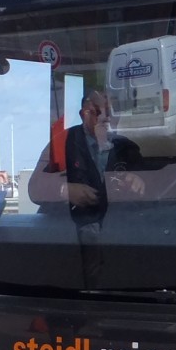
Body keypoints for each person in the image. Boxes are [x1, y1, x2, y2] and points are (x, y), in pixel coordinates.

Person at [28, 90, 145, 285]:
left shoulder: (128, 148)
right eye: (95, 111)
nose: (102, 117)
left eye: (107, 111)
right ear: (83, 114)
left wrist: (138, 182)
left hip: (121, 240)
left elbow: (154, 187)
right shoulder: (61, 142)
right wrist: (65, 190)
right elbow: (34, 188)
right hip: (70, 239)